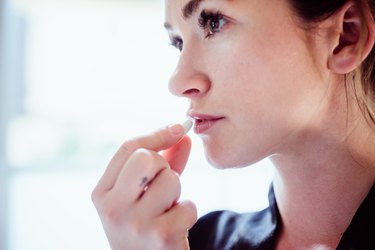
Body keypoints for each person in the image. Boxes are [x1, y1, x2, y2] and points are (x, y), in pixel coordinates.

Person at [91, 0, 375, 249]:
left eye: (214, 22)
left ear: (346, 37)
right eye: (178, 43)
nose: (178, 83)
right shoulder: (196, 242)